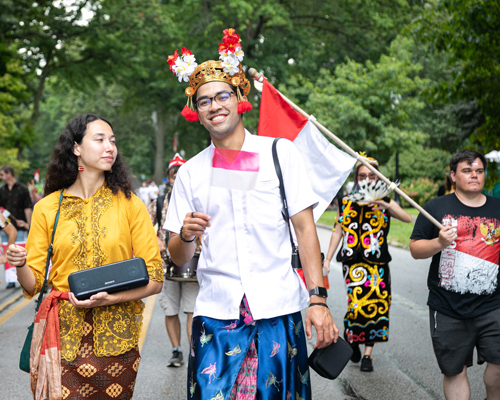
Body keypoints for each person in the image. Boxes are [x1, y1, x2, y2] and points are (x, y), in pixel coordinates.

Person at [164, 28, 338, 400]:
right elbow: (177, 256)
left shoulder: (280, 153)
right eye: (204, 100)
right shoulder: (192, 172)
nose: (214, 105)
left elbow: (306, 230)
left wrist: (318, 300)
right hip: (215, 313)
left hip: (277, 310)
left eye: (222, 95)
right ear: (196, 112)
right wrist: (187, 235)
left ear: (241, 97)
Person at [6, 113, 163, 400]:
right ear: (76, 147)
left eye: (113, 141)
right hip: (61, 337)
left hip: (118, 339)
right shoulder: (47, 208)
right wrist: (20, 264)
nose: (110, 147)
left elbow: (154, 279)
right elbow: (33, 285)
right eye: (100, 139)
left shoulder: (131, 204)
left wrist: (111, 298)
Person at [410, 150, 500, 400]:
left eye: (479, 171)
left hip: (493, 304)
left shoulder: (498, 208)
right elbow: (416, 249)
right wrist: (438, 243)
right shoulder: (435, 207)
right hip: (447, 306)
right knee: (454, 372)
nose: (475, 175)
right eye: (467, 170)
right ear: (453, 175)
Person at [323, 154, 412, 372]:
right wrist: (326, 260)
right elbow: (338, 231)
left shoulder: (385, 202)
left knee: (378, 307)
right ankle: (352, 338)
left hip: (377, 265)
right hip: (352, 264)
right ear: (356, 178)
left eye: (372, 175)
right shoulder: (346, 202)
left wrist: (384, 204)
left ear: (378, 178)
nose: (367, 179)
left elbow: (408, 218)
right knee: (356, 306)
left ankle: (367, 356)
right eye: (362, 175)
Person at [148, 153, 200, 367]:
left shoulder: (198, 200)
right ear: (169, 178)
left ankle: (193, 354)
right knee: (170, 309)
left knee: (191, 309)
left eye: (181, 173)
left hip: (191, 263)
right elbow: (143, 227)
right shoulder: (159, 202)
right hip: (166, 264)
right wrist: (156, 242)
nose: (177, 177)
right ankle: (176, 350)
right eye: (173, 174)